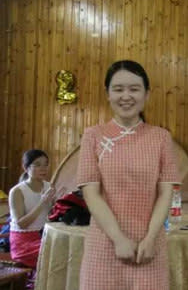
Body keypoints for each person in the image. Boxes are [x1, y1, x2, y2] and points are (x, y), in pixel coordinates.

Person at [77, 60, 179, 290]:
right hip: (104, 245)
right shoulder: (93, 136)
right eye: (118, 89)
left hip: (149, 248)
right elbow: (91, 194)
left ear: (147, 94)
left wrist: (151, 238)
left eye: (134, 89)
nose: (126, 96)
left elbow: (165, 193)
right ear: (107, 94)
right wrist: (118, 239)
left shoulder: (161, 138)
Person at [8, 149, 55, 268]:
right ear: (26, 167)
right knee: (56, 253)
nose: (43, 168)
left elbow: (52, 215)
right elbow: (21, 224)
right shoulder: (17, 191)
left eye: (46, 164)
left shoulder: (49, 186)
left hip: (44, 235)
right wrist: (43, 202)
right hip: (23, 241)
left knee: (65, 248)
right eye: (38, 165)